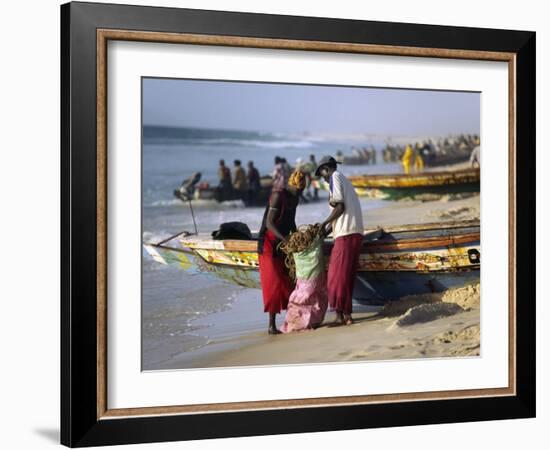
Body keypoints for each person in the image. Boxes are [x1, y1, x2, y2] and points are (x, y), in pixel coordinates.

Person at [317, 156, 364, 326]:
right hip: (354, 232)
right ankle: (347, 315)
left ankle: (340, 315)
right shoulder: (344, 180)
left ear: (326, 169)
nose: (322, 177)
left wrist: (324, 223)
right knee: (347, 276)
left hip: (346, 234)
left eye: (321, 173)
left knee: (335, 276)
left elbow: (339, 207)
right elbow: (342, 212)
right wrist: (326, 230)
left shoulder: (335, 177)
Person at [257, 170, 306, 334]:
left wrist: (298, 236)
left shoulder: (296, 199)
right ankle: (271, 325)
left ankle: (291, 319)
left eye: (301, 190)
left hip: (284, 243)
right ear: (291, 185)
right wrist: (284, 239)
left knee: (289, 281)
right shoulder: (278, 196)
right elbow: (270, 223)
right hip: (269, 243)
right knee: (274, 283)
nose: (299, 193)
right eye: (297, 189)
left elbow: (291, 221)